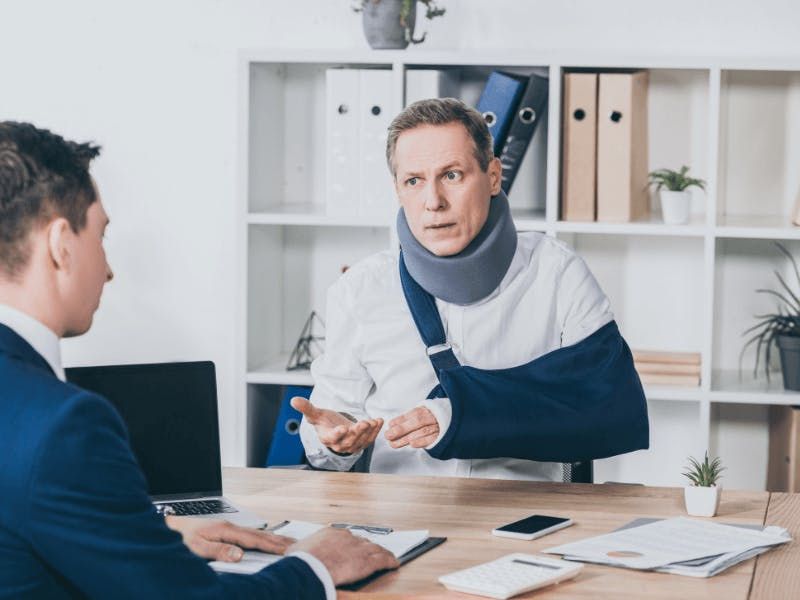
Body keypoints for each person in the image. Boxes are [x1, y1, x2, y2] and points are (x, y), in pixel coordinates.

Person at [0, 121, 398, 599]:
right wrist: (315, 566)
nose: (108, 270)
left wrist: (153, 538)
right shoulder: (63, 425)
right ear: (61, 245)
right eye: (100, 236)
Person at [295, 98, 649, 480]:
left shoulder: (556, 272)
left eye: (452, 175)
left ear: (493, 176)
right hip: (399, 521)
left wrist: (456, 415)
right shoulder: (359, 289)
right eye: (414, 181)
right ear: (398, 190)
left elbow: (611, 407)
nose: (434, 202)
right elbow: (329, 434)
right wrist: (334, 438)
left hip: (522, 520)